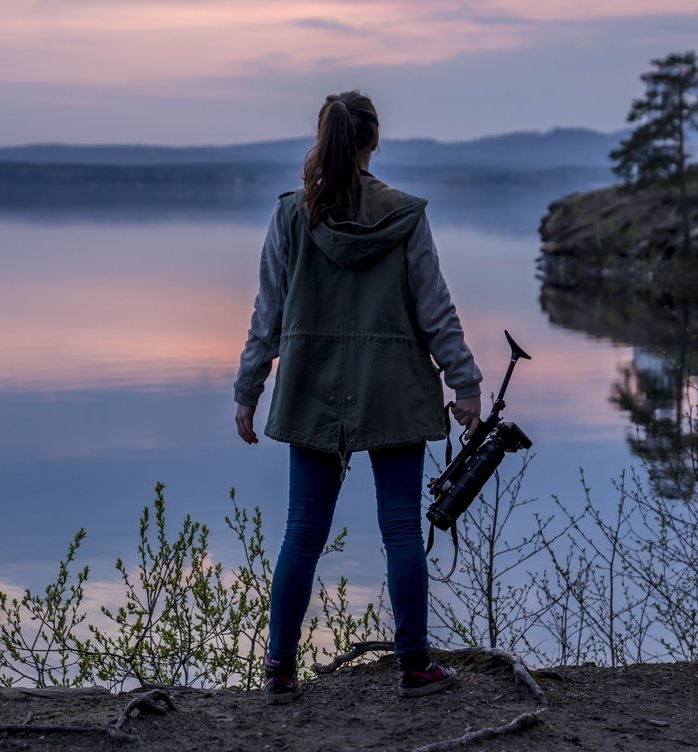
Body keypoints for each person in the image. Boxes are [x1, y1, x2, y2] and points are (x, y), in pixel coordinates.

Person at [233, 90, 483, 704]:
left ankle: (280, 670)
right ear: (373, 141)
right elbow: (436, 310)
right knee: (400, 530)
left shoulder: (292, 215)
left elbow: (266, 314)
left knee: (302, 532)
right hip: (393, 388)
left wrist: (247, 390)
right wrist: (465, 383)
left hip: (311, 389)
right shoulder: (404, 214)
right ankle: (415, 665)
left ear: (324, 139)